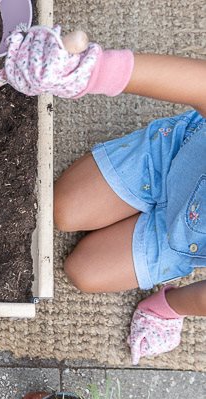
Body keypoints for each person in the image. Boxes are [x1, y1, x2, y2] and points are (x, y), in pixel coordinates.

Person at [42, 29, 206, 363]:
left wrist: (168, 307)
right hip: (173, 158)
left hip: (181, 240)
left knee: (83, 272)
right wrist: (92, 71)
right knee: (61, 210)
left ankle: (166, 301)